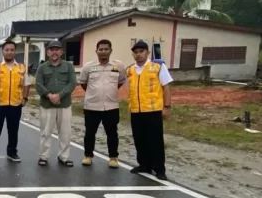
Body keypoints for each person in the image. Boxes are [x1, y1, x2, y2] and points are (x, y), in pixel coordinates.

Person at [126, 40, 173, 180]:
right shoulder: (130, 70)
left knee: (155, 141)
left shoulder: (157, 67)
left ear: (147, 52)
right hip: (136, 111)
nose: (138, 54)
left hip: (153, 111)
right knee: (139, 140)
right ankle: (144, 165)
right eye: (136, 52)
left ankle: (159, 169)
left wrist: (167, 107)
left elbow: (166, 87)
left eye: (141, 51)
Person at [78, 39, 126, 168]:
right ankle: (88, 156)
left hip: (111, 106)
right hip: (92, 106)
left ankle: (113, 158)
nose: (103, 52)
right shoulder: (89, 66)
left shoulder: (118, 66)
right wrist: (95, 93)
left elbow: (120, 82)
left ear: (110, 50)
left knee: (112, 133)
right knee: (89, 133)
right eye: (101, 49)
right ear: (96, 51)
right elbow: (83, 83)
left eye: (106, 49)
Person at [0, 40, 32, 162]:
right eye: (7, 50)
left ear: (15, 51)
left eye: (12, 50)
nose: (9, 52)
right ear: (3, 51)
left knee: (13, 131)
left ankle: (12, 153)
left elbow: (27, 84)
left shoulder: (21, 68)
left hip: (15, 105)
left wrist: (25, 98)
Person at [35, 40, 77, 167]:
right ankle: (44, 156)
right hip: (47, 105)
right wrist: (49, 95)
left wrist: (59, 95)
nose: (54, 52)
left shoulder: (68, 66)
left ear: (61, 52)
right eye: (51, 49)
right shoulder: (42, 67)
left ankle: (64, 157)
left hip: (64, 104)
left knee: (65, 132)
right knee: (45, 132)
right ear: (47, 52)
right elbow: (38, 84)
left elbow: (72, 83)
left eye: (57, 49)